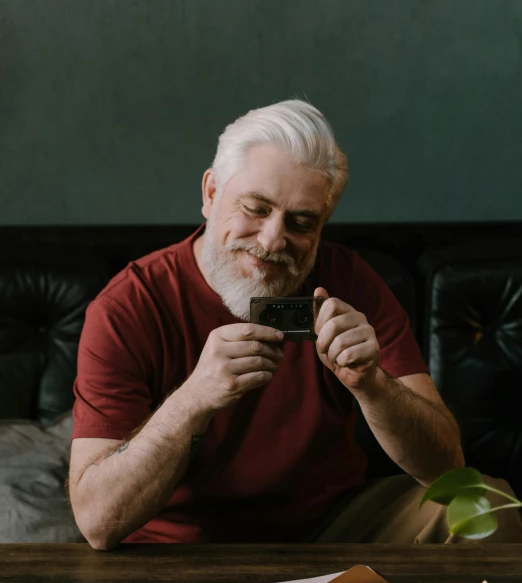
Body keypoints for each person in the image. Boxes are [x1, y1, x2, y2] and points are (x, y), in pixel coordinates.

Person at [68, 100, 521, 549]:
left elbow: (448, 469)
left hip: (331, 527)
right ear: (210, 194)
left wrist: (372, 385)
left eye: (301, 222)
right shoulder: (128, 305)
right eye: (255, 209)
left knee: (485, 505)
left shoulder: (349, 282)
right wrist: (192, 399)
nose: (272, 240)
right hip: (181, 546)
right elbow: (97, 523)